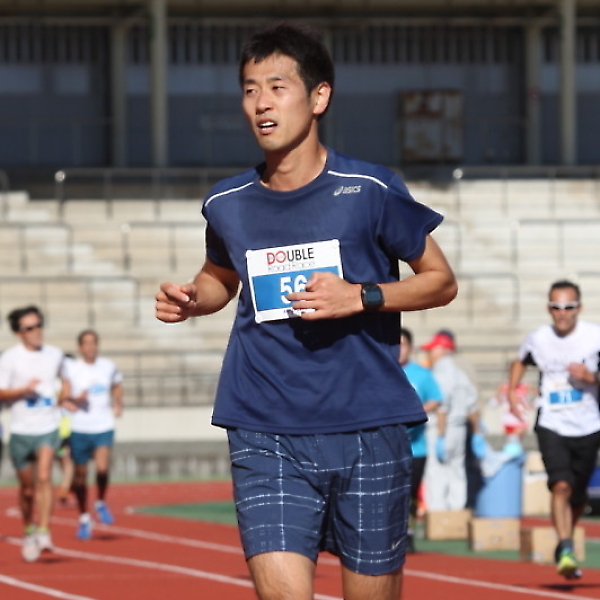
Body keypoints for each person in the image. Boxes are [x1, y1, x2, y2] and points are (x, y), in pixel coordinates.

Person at [155, 21, 457, 600]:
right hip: (264, 426)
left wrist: (360, 296)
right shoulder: (227, 202)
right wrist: (193, 300)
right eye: (249, 89)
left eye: (277, 87)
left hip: (368, 425)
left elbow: (441, 282)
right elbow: (220, 277)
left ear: (319, 97)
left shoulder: (369, 189)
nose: (261, 103)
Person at [508, 280, 600, 581]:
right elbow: (520, 362)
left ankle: (566, 539)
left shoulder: (594, 336)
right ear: (549, 308)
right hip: (552, 422)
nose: (562, 313)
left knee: (578, 496)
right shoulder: (538, 338)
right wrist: (512, 391)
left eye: (568, 307)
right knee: (560, 485)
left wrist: (591, 376)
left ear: (579, 308)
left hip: (588, 424)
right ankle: (566, 547)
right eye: (556, 307)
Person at [0, 305, 67, 562]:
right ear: (19, 333)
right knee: (27, 490)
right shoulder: (9, 358)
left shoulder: (55, 354)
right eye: (30, 328)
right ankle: (28, 529)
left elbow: (66, 379)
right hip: (20, 430)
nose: (37, 331)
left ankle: (44, 530)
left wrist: (64, 396)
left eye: (39, 325)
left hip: (47, 427)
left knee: (44, 477)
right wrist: (23, 390)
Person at [62, 329, 124, 540]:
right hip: (79, 427)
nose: (90, 347)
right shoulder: (72, 368)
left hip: (103, 426)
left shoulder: (107, 366)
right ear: (80, 347)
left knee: (102, 468)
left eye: (93, 343)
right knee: (80, 477)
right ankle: (83, 517)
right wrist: (74, 399)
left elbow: (117, 386)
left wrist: (118, 403)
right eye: (86, 343)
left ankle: (100, 502)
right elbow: (64, 396)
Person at [421, 329, 486, 511]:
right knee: (457, 470)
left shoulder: (441, 372)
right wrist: (477, 432)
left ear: (442, 350)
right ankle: (457, 513)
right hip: (460, 427)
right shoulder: (460, 372)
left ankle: (438, 515)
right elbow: (472, 405)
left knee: (437, 472)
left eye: (432, 349)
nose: (429, 354)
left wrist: (441, 435)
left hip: (442, 428)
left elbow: (442, 405)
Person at [399, 327, 444, 553]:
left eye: (403, 345)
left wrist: (417, 413)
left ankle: (408, 533)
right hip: (386, 446)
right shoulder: (381, 371)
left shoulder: (421, 374)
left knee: (411, 493)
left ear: (410, 348)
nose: (399, 350)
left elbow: (436, 399)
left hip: (416, 447)